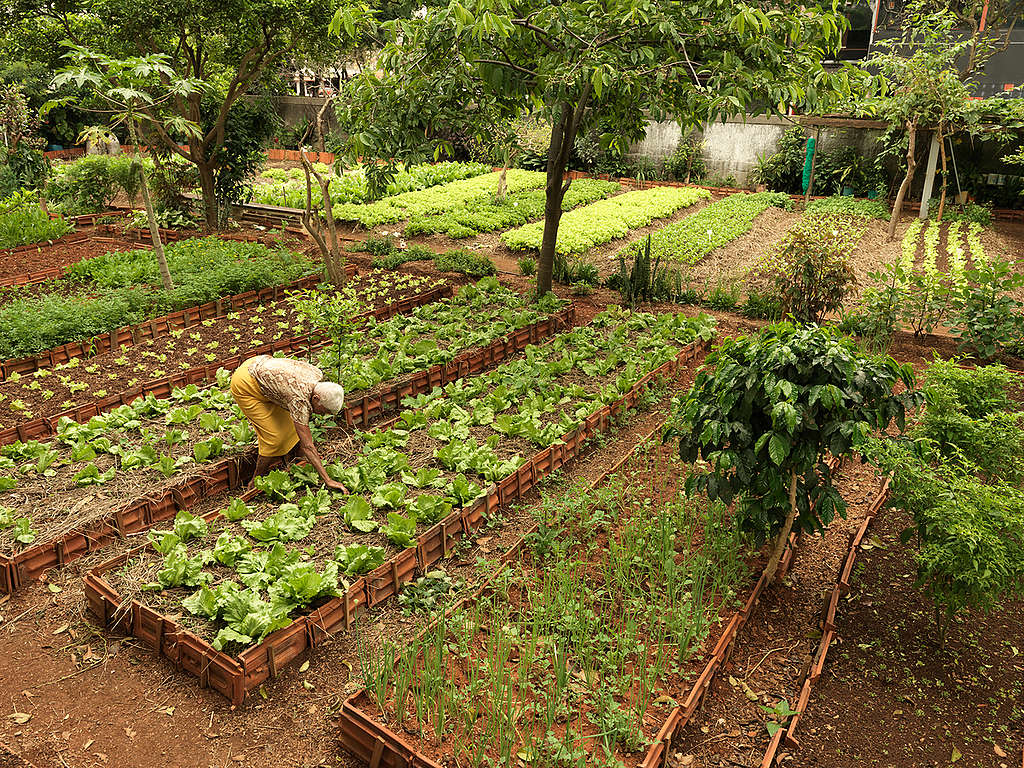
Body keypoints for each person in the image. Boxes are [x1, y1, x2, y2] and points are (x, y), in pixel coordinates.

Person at [230, 354, 348, 491]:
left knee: (294, 426)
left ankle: (296, 459)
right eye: (323, 411)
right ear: (316, 398)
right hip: (245, 383)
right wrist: (327, 480)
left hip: (259, 364)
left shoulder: (316, 376)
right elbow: (308, 445)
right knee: (274, 438)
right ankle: (255, 481)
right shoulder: (299, 400)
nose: (322, 415)